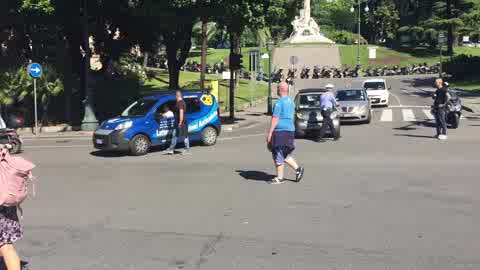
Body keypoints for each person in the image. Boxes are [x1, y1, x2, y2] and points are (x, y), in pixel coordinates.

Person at [267, 82, 305, 184]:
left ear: (280, 90)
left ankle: (280, 178)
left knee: (278, 152)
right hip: (290, 130)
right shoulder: (291, 102)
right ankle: (298, 169)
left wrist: (270, 133)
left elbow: (275, 118)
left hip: (280, 131)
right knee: (284, 153)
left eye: (277, 88)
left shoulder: (279, 103)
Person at [164, 90, 190, 155]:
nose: (175, 97)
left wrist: (180, 122)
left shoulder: (180, 103)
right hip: (178, 122)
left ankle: (187, 149)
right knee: (175, 135)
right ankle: (171, 149)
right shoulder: (181, 102)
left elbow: (181, 112)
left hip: (181, 122)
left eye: (175, 96)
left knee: (184, 136)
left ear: (177, 96)